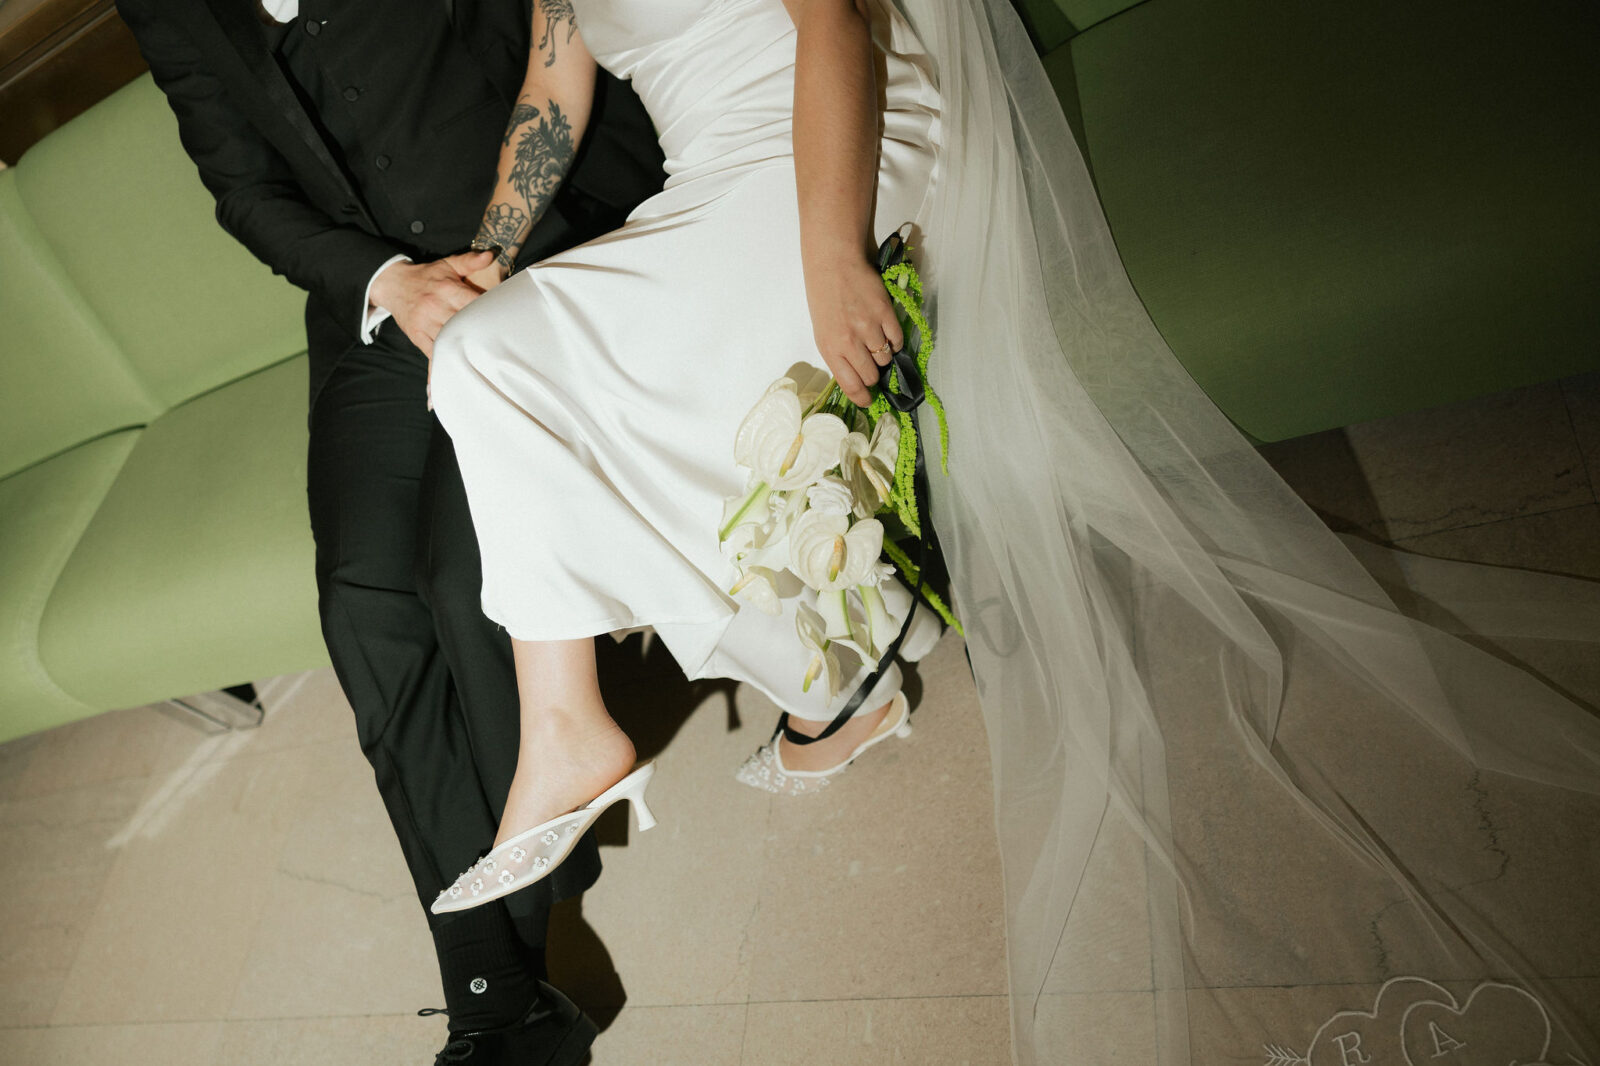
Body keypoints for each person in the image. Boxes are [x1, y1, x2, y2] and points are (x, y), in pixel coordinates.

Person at [428, 0, 1600, 1061]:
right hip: (713, 186)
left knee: (501, 372)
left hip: (839, 152)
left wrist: (834, 260)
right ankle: (771, 686)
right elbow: (552, 83)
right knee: (491, 365)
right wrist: (489, 248)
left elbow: (834, 21)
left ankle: (684, 710)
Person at [115, 0, 665, 1061]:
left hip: (538, 234)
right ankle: (497, 999)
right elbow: (241, 184)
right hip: (375, 301)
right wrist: (387, 282)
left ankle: (512, 942)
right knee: (360, 600)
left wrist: (490, 253)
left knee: (459, 573)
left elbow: (548, 47)